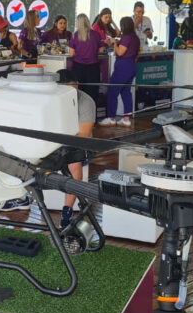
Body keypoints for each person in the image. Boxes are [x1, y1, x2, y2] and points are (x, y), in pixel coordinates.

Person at [55, 69, 97, 228]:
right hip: (53, 144)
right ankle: (23, 198)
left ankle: (67, 211)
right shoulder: (49, 99)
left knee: (73, 160)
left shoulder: (86, 101)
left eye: (74, 88)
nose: (72, 93)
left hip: (79, 146)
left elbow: (83, 136)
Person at [99, 17, 141, 127]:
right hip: (132, 65)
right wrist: (118, 42)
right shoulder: (135, 37)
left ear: (123, 26)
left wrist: (114, 43)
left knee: (113, 91)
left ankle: (111, 117)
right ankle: (126, 119)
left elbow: (120, 52)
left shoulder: (126, 37)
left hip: (123, 67)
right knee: (126, 92)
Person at [69, 13, 105, 102]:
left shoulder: (75, 35)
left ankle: (80, 110)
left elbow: (71, 54)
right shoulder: (96, 34)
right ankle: (92, 110)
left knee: (79, 93)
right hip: (93, 67)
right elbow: (101, 50)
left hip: (78, 67)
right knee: (93, 92)